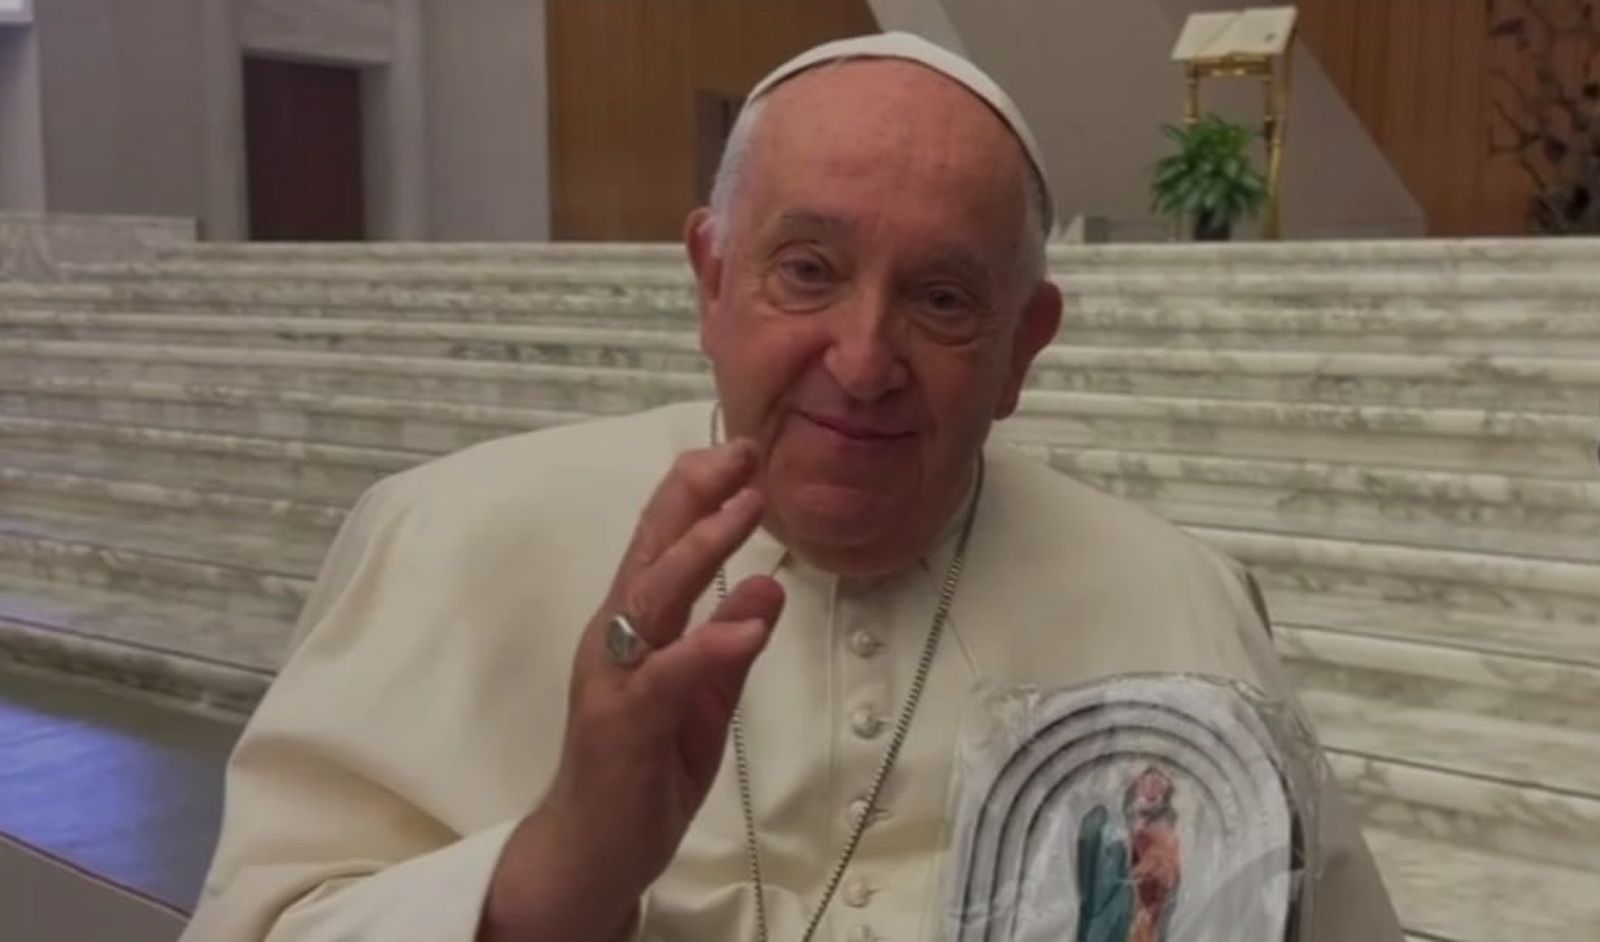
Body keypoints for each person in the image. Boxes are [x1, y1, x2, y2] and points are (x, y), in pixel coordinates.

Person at [182, 32, 1403, 942]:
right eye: (807, 271)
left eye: (941, 298)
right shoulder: (448, 534)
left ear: (1022, 347)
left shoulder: (1178, 603)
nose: (863, 363)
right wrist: (554, 875)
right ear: (712, 279)